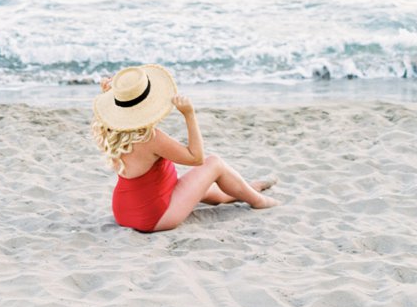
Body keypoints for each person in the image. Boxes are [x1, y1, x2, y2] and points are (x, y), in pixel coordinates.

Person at [91, 64, 278, 233]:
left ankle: (247, 190)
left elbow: (107, 116)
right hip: (153, 216)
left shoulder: (110, 130)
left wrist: (107, 95)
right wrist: (189, 115)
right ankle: (259, 201)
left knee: (211, 193)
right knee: (215, 164)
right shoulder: (150, 138)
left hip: (123, 211)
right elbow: (196, 158)